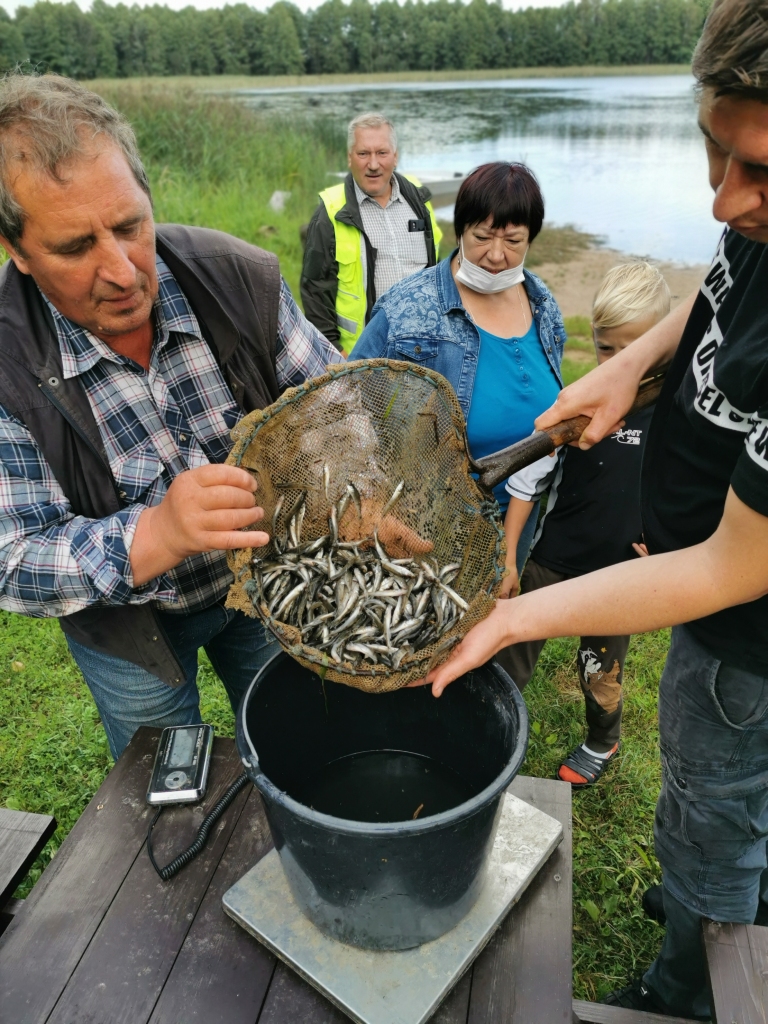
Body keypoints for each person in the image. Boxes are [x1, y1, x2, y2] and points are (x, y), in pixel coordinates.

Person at [417, 0, 768, 1016]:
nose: (724, 199)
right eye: (716, 152)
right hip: (711, 613)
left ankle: (690, 981)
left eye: (761, 175)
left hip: (747, 633)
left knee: (718, 794)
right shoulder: (752, 225)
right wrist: (633, 369)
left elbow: (732, 566)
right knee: (719, 809)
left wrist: (514, 612)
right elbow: (720, 287)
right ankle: (718, 891)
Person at [0, 72, 343, 761]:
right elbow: (11, 557)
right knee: (160, 784)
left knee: (297, 741)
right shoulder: (5, 364)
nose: (123, 272)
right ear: (18, 254)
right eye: (74, 248)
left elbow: (337, 405)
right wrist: (154, 534)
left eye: (130, 226)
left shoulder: (238, 276)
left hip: (266, 582)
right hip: (130, 634)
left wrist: (355, 485)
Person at [497, 262, 670, 787]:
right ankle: (494, 720)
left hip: (620, 573)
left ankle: (602, 740)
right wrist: (509, 558)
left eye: (633, 349)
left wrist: (670, 545)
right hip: (553, 558)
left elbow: (696, 492)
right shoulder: (579, 405)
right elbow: (528, 482)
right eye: (606, 348)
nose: (617, 363)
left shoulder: (675, 415)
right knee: (511, 649)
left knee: (600, 670)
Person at [351, 160, 566, 572]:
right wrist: (370, 494)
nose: (497, 255)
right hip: (432, 523)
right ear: (460, 231)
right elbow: (344, 396)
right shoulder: (409, 309)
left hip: (520, 514)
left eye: (514, 241)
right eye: (482, 237)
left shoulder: (543, 305)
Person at [300, 112, 442, 354]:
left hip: (423, 346)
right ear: (349, 157)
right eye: (363, 153)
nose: (373, 164)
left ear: (395, 157)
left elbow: (437, 270)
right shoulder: (331, 212)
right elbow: (314, 291)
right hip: (362, 354)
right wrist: (334, 350)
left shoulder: (419, 200)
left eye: (382, 153)